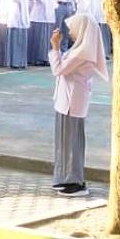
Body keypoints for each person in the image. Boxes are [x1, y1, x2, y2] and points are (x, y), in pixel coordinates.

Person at [49, 14, 109, 197]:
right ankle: (64, 178)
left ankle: (74, 181)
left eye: (73, 29)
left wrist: (55, 47)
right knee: (65, 142)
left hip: (72, 102)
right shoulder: (80, 50)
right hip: (67, 101)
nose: (71, 33)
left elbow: (59, 69)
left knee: (71, 143)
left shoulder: (83, 53)